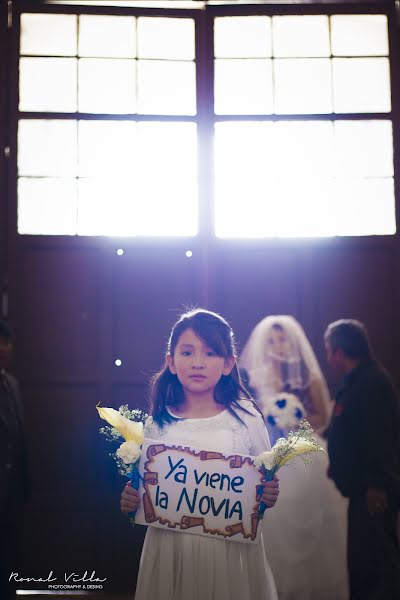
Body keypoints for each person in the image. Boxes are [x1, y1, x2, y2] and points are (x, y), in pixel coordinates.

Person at [120, 308, 280, 600]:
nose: (197, 363)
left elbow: (263, 482)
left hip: (228, 550)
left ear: (228, 364)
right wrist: (131, 500)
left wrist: (268, 494)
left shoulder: (247, 418)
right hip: (170, 548)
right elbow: (146, 489)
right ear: (171, 361)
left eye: (209, 354)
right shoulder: (158, 421)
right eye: (187, 352)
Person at [240, 315, 348, 600]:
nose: (277, 345)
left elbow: (323, 415)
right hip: (270, 452)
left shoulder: (308, 376)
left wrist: (295, 421)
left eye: (282, 339)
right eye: (272, 339)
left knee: (312, 519)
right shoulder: (256, 376)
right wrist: (273, 420)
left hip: (305, 451)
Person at [325, 319, 400, 600]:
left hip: (373, 493)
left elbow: (379, 438)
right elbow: (348, 429)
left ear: (341, 353)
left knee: (377, 563)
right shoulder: (356, 381)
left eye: (329, 351)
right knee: (361, 564)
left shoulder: (372, 382)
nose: (328, 358)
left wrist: (377, 485)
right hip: (360, 490)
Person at [0, 321, 30, 600]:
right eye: (1, 342)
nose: (4, 348)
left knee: (9, 551)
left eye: (7, 342)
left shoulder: (12, 383)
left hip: (13, 485)